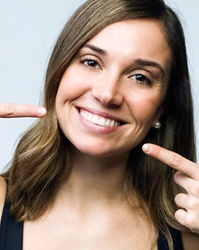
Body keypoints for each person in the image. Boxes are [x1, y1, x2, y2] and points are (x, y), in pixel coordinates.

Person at [0, 0, 199, 249]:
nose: (106, 94)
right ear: (59, 70)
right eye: (91, 62)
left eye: (140, 77)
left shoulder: (190, 232)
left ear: (161, 107)